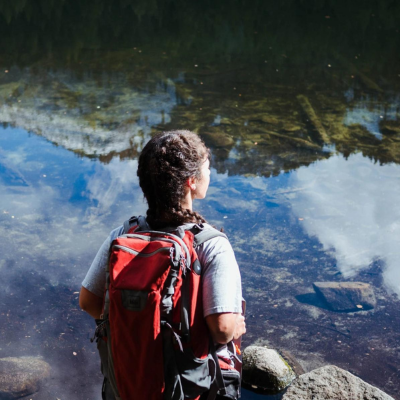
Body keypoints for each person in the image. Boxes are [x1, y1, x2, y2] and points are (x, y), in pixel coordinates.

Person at [79, 130, 246, 399]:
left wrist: (135, 326)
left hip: (127, 383)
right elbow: (222, 328)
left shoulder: (122, 234)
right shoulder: (212, 244)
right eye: (208, 167)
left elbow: (88, 302)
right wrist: (235, 327)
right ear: (191, 181)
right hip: (185, 388)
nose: (211, 174)